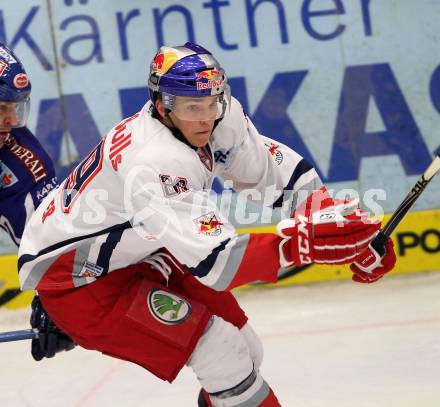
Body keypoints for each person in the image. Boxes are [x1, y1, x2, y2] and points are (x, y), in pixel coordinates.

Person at [17, 42, 396, 406]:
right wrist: (304, 243)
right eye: (190, 106)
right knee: (222, 353)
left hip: (142, 248)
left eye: (212, 101)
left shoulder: (218, 114)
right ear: (162, 106)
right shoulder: (154, 162)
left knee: (247, 350)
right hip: (78, 281)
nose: (205, 116)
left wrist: (341, 227)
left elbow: (273, 175)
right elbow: (217, 265)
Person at [0, 43, 75, 360]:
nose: (11, 120)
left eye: (14, 108)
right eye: (0, 107)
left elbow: (52, 237)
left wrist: (58, 300)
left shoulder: (22, 161)